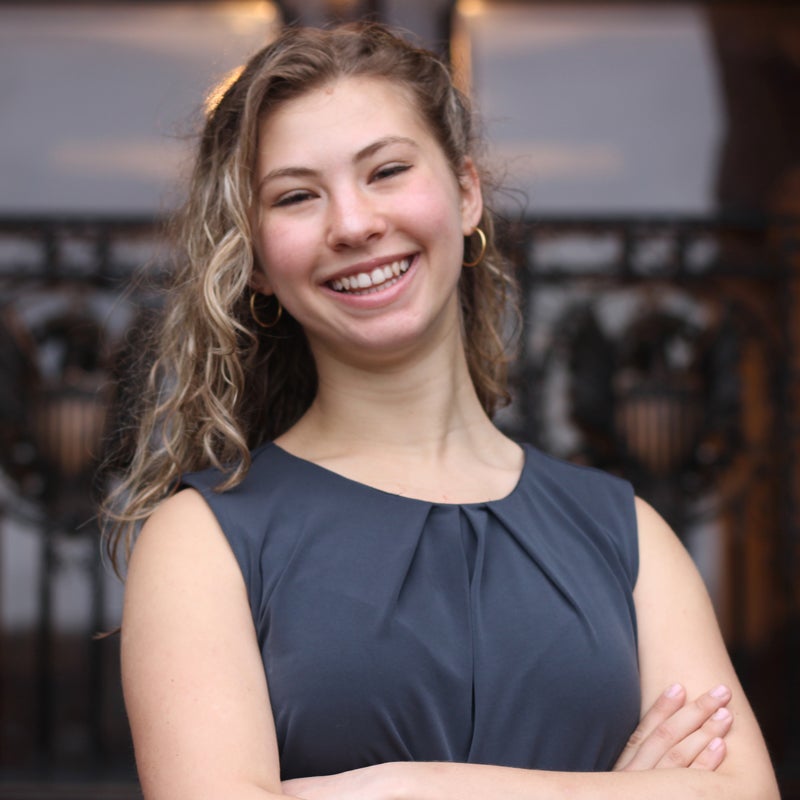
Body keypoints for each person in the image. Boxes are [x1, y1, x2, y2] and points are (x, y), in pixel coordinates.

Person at [103, 22, 779, 800]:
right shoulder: (202, 541)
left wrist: (394, 787)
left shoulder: (624, 533)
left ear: (464, 194)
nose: (353, 224)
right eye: (295, 196)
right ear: (254, 258)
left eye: (386, 171)